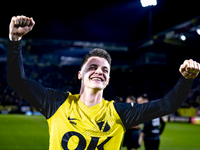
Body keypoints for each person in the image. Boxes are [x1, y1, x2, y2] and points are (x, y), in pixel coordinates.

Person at [7, 15, 200, 150]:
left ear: (108, 80)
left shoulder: (120, 114)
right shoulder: (56, 103)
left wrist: (186, 79)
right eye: (92, 67)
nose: (99, 71)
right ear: (80, 74)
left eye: (105, 70)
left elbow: (167, 105)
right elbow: (17, 80)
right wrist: (15, 40)